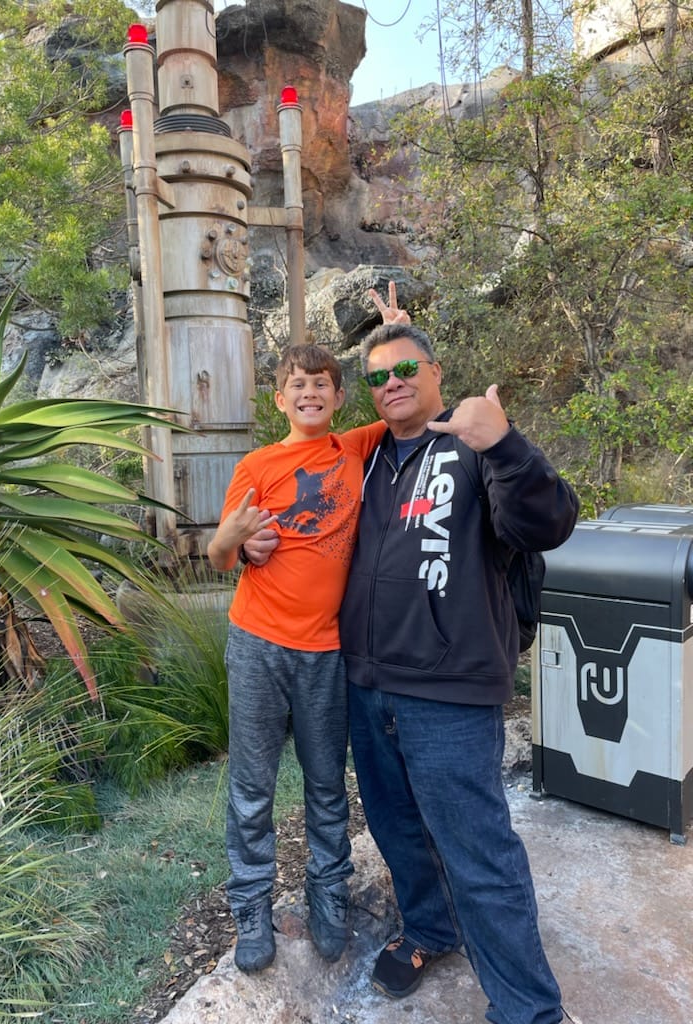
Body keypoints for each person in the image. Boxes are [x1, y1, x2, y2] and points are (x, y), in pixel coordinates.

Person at [245, 287, 578, 1023]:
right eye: (378, 375)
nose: (391, 382)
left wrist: (508, 444)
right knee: (397, 829)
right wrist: (247, 542)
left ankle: (527, 1010)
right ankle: (430, 929)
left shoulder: (473, 445)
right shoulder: (360, 460)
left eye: (406, 370)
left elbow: (545, 523)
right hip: (368, 685)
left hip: (451, 693)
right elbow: (303, 530)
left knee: (479, 853)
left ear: (437, 374)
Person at [207, 341, 386, 974]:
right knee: (252, 786)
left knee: (326, 783)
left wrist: (401, 333)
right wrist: (231, 539)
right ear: (279, 399)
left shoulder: (357, 449)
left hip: (325, 653)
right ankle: (251, 904)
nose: (309, 393)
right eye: (297, 385)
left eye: (322, 384)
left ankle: (327, 891)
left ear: (339, 397)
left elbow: (403, 401)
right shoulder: (256, 464)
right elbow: (221, 555)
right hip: (257, 645)